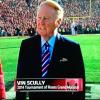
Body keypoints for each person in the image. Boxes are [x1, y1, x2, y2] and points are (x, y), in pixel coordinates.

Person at [16, 0, 85, 99]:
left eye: (45, 18)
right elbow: (21, 85)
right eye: (39, 17)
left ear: (58, 22)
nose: (40, 22)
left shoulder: (72, 48)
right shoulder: (26, 46)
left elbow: (78, 89)